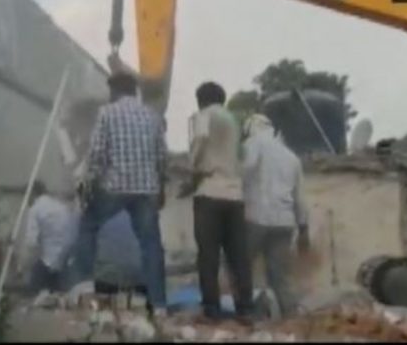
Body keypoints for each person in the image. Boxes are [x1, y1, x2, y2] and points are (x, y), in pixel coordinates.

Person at [70, 72, 168, 319]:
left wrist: (87, 185)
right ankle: (159, 305)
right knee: (151, 245)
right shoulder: (152, 116)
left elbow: (97, 154)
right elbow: (161, 158)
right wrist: (161, 189)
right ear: (134, 90)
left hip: (114, 186)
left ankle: (84, 286)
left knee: (88, 226)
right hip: (146, 189)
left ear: (113, 91)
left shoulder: (107, 113)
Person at [187, 81, 254, 324]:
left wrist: (192, 167)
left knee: (208, 255)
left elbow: (200, 140)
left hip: (209, 191)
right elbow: (242, 157)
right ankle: (245, 307)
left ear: (201, 99)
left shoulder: (205, 115)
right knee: (238, 255)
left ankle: (212, 308)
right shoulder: (234, 121)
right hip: (234, 194)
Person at [240, 113, 309, 319]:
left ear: (250, 128)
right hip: (284, 223)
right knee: (280, 276)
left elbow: (243, 172)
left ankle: (247, 316)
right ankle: (292, 319)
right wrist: (304, 228)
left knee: (240, 267)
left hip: (255, 218)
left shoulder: (252, 144)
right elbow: (300, 198)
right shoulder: (291, 157)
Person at [19, 180, 79, 296]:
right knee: (59, 295)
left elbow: (31, 243)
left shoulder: (35, 209)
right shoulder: (60, 206)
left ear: (32, 194)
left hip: (49, 260)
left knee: (32, 294)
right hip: (66, 260)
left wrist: (22, 267)